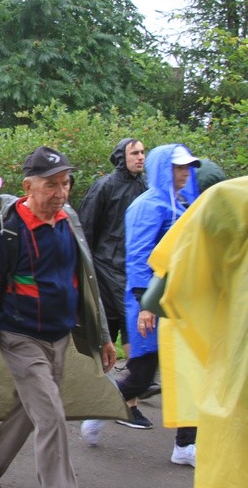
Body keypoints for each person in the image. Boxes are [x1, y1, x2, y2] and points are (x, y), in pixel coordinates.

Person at [0, 146, 118, 488]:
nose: (61, 193)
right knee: (52, 416)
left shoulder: (68, 221)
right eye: (51, 185)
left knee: (31, 411)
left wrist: (102, 335)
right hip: (20, 338)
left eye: (65, 183)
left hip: (60, 337)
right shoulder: (7, 231)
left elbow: (86, 281)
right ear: (28, 187)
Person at [148, 176, 246, 488]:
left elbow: (172, 278)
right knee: (136, 375)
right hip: (236, 368)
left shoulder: (228, 200)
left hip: (235, 370)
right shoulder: (229, 201)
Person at [116, 143, 200, 465]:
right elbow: (138, 256)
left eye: (187, 166)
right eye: (177, 166)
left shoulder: (186, 202)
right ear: (163, 167)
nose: (183, 172)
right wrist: (144, 304)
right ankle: (98, 411)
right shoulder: (146, 205)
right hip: (150, 303)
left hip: (181, 307)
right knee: (140, 376)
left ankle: (184, 446)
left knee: (189, 373)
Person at [76, 138, 147, 443]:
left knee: (133, 338)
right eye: (135, 152)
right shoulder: (104, 186)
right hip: (103, 271)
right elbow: (85, 229)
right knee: (105, 340)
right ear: (122, 156)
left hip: (132, 273)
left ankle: (127, 402)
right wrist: (83, 273)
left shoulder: (145, 189)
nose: (141, 157)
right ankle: (108, 403)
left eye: (144, 152)